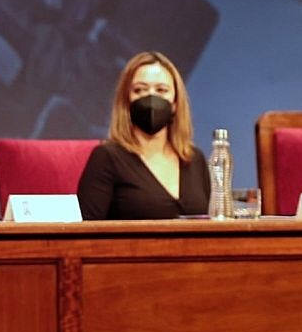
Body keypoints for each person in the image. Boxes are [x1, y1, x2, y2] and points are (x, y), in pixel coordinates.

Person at [77, 51, 209, 219]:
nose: (151, 97)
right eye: (140, 90)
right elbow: (86, 231)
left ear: (175, 103)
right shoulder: (107, 157)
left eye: (161, 90)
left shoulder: (194, 159)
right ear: (126, 100)